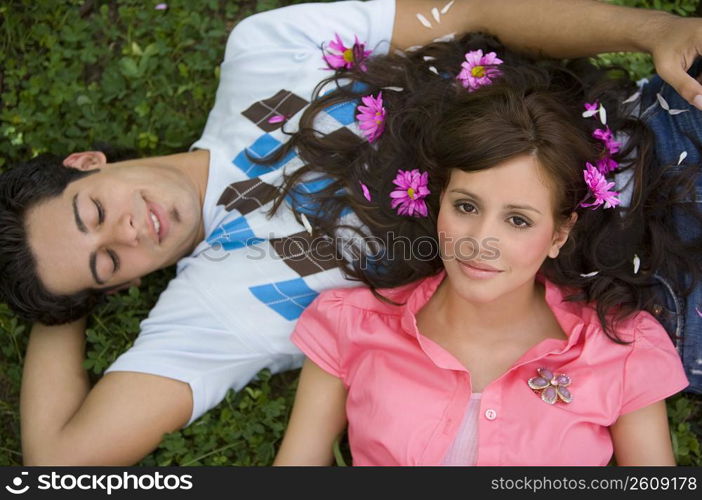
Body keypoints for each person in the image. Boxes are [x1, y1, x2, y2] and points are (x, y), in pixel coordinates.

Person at [2, 0, 702, 465]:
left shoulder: (266, 50)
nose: (129, 232)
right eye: (107, 265)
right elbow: (59, 461)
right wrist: (56, 298)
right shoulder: (213, 313)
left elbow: (477, 9)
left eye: (90, 213)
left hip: (648, 133)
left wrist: (654, 33)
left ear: (86, 163)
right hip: (664, 291)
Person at [272, 34, 701, 465]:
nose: (480, 242)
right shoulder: (347, 325)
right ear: (438, 200)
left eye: (518, 220)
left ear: (559, 234)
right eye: (466, 206)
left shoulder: (622, 349)